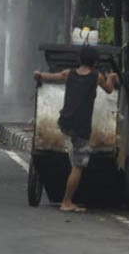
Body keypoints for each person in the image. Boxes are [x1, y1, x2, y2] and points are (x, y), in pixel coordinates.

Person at [33, 45, 118, 212]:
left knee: (74, 154)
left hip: (65, 122)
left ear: (80, 60)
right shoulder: (96, 76)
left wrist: (39, 74)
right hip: (81, 127)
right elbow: (109, 90)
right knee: (78, 166)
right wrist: (112, 77)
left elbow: (52, 76)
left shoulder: (69, 73)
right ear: (94, 62)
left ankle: (67, 196)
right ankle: (67, 202)